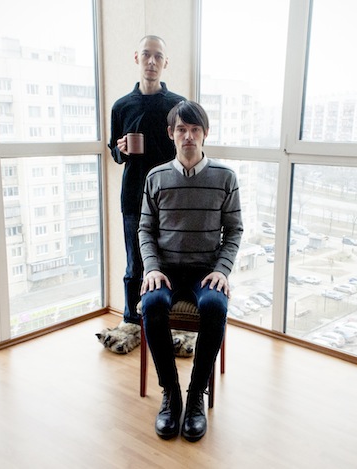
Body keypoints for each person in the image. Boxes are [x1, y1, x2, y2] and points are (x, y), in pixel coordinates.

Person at [139, 100, 243, 441]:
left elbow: (234, 231)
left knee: (215, 305)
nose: (188, 136)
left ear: (205, 133)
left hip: (205, 272)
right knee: (152, 304)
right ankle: (170, 393)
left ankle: (197, 393)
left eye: (195, 129)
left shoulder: (225, 177)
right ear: (171, 133)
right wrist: (151, 268)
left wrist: (223, 270)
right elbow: (145, 230)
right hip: (165, 270)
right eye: (181, 129)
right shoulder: (156, 177)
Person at [108, 35, 185, 325]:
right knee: (135, 263)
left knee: (169, 261)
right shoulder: (121, 106)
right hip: (133, 195)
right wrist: (121, 149)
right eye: (146, 54)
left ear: (166, 63)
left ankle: (162, 319)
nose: (151, 61)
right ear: (136, 58)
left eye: (158, 56)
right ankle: (130, 321)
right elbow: (113, 150)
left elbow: (185, 149)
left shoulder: (178, 105)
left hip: (169, 196)